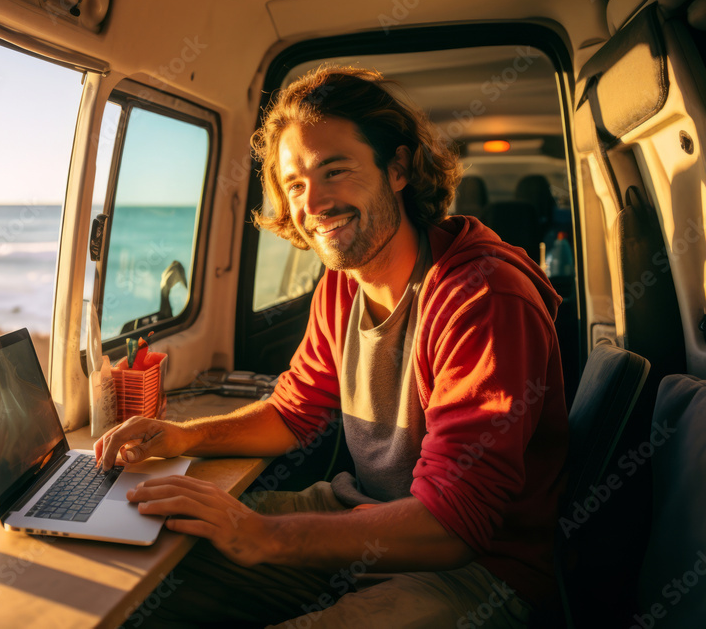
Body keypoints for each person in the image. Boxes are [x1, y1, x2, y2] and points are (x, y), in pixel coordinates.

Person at [95, 65, 568, 627]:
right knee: (146, 557)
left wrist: (265, 535)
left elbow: (453, 527)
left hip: (476, 571)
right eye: (295, 184)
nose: (312, 202)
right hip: (364, 513)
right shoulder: (344, 283)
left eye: (334, 170)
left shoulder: (483, 298)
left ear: (398, 168)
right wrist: (181, 436)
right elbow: (294, 414)